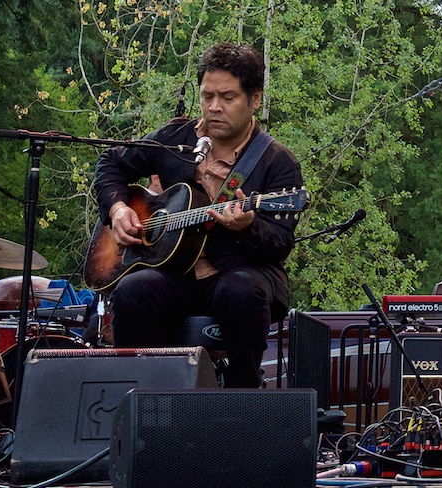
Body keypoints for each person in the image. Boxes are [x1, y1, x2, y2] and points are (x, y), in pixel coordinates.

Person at [96, 42, 303, 388]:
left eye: (227, 97)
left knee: (241, 291)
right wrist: (118, 209)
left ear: (254, 99)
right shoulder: (175, 138)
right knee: (132, 291)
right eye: (207, 97)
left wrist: (248, 226)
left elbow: (280, 244)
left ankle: (242, 402)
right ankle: (143, 405)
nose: (214, 107)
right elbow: (110, 163)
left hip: (237, 270)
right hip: (172, 274)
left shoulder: (277, 163)